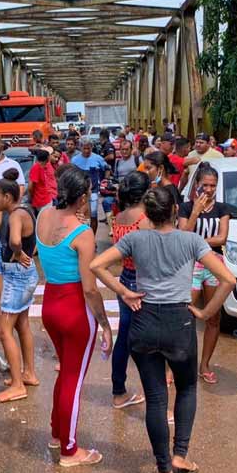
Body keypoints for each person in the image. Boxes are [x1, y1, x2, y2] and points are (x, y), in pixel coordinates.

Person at [91, 185, 235, 473]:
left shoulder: (135, 238)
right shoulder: (191, 240)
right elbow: (227, 279)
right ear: (174, 211)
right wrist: (207, 313)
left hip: (144, 319)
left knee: (156, 398)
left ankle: (164, 469)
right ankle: (180, 454)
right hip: (179, 321)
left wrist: (124, 291)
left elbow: (97, 265)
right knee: (186, 389)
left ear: (148, 214)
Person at [35, 167, 113, 466]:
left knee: (65, 372)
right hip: (75, 307)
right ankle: (70, 449)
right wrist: (104, 324)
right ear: (82, 197)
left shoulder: (42, 215)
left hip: (51, 304)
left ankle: (58, 433)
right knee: (73, 379)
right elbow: (91, 289)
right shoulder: (83, 233)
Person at [177, 164, 231, 384]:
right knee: (183, 316)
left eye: (213, 186)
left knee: (213, 317)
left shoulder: (222, 209)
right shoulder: (186, 207)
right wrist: (196, 212)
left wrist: (196, 242)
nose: (208, 190)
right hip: (191, 266)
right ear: (196, 185)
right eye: (204, 185)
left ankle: (205, 364)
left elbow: (222, 239)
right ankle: (176, 365)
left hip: (213, 266)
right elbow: (182, 235)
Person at [0, 171, 40, 404]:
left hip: (17, 276)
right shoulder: (25, 210)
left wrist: (18, 253)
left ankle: (18, 384)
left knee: (6, 329)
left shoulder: (16, 216)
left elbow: (15, 240)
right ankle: (28, 373)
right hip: (25, 276)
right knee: (22, 325)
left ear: (8, 197)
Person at [105, 171, 150, 410]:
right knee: (145, 339)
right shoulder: (145, 219)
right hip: (143, 281)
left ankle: (118, 390)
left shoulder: (119, 217)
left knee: (124, 336)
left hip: (125, 278)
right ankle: (154, 390)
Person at [71, 140, 108, 232]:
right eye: (84, 148)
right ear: (80, 148)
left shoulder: (98, 158)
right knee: (80, 215)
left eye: (89, 148)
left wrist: (105, 180)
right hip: (79, 193)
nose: (87, 151)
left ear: (92, 148)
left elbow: (107, 168)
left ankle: (93, 237)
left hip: (93, 192)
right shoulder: (75, 160)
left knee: (93, 214)